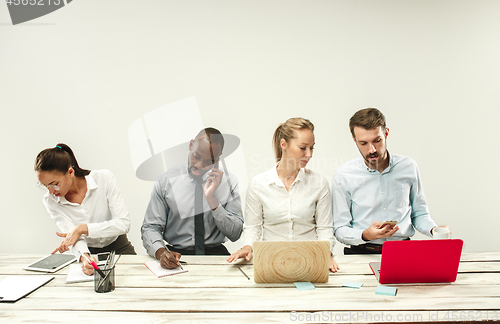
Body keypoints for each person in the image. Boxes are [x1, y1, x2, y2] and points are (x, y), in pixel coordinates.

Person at [227, 118, 339, 272]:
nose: (309, 154)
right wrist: (247, 247)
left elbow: (325, 228)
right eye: (303, 148)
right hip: (271, 261)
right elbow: (253, 228)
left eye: (312, 148)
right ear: (283, 144)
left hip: (310, 261)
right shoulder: (259, 184)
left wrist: (326, 254)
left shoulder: (319, 183)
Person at [332, 108, 449, 254]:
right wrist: (366, 234)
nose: (372, 149)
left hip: (403, 252)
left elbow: (419, 215)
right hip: (362, 253)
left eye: (377, 140)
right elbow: (340, 229)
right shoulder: (343, 175)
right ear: (354, 140)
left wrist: (434, 230)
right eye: (363, 143)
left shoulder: (408, 167)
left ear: (386, 133)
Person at [141, 127, 243, 269]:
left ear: (218, 159)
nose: (199, 165)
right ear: (190, 145)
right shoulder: (166, 180)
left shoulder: (229, 182)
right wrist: (161, 252)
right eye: (197, 156)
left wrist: (212, 199)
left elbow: (235, 233)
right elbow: (150, 227)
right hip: (177, 254)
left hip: (215, 254)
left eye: (208, 161)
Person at [35, 144, 136, 275]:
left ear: (70, 172)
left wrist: (82, 228)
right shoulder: (50, 200)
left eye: (54, 184)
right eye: (45, 185)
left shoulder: (103, 179)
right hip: (89, 253)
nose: (50, 191)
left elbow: (123, 224)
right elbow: (73, 238)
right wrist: (84, 258)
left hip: (119, 248)